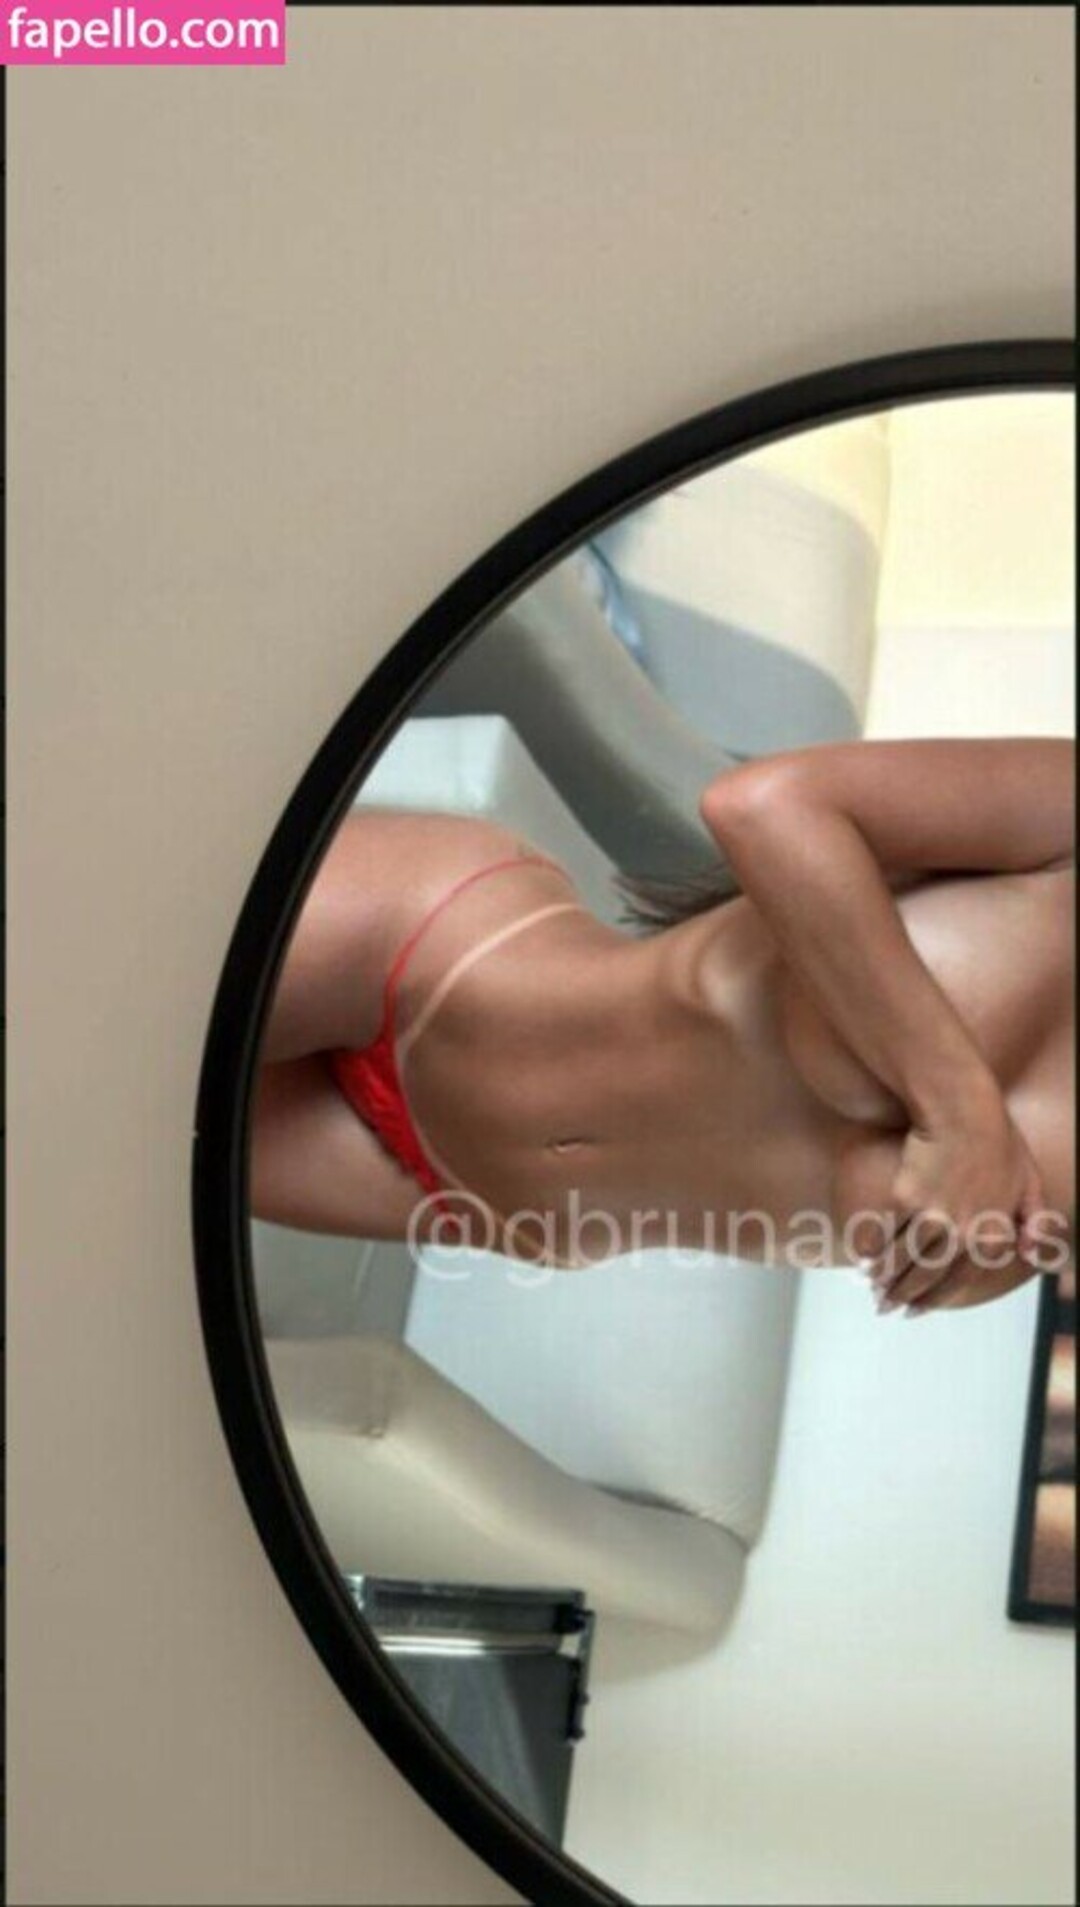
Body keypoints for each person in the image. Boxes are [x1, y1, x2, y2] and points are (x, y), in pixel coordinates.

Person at [250, 736, 1075, 1314]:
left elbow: (912, 1261)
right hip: (431, 957)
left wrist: (967, 1239)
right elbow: (764, 807)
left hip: (482, 1197)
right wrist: (962, 1107)